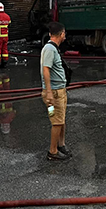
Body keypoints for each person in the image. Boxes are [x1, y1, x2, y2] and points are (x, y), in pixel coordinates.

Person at [40, 22, 71, 161]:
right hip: (54, 94)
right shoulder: (49, 49)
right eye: (65, 33)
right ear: (62, 33)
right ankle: (52, 152)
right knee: (56, 121)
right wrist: (49, 92)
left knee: (60, 119)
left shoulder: (53, 48)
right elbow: (45, 69)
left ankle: (60, 145)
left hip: (59, 92)